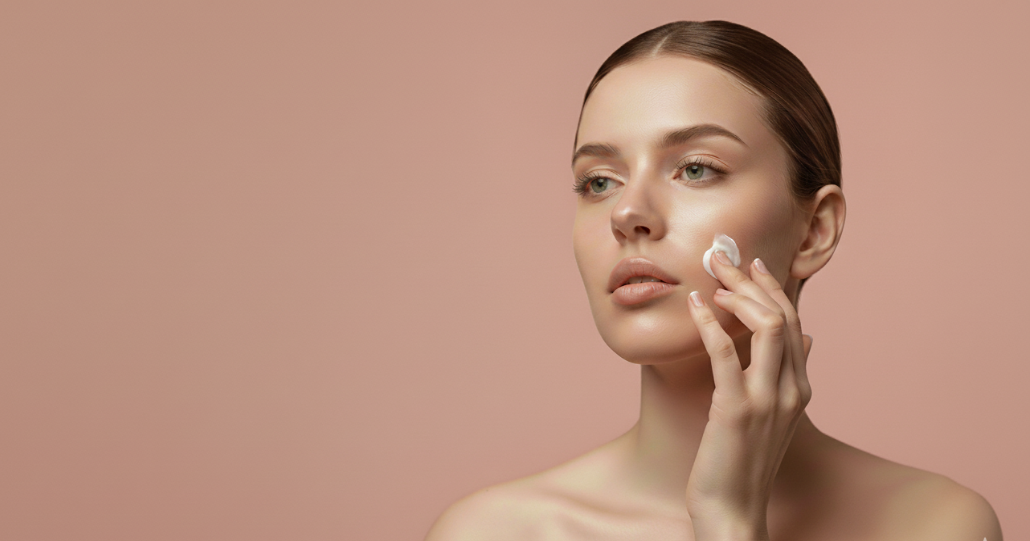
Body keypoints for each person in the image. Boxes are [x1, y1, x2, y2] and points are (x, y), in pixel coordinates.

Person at [425, 20, 1002, 541]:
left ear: (814, 231)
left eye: (696, 169)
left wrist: (729, 519)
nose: (628, 213)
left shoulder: (936, 526)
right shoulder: (492, 533)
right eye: (598, 181)